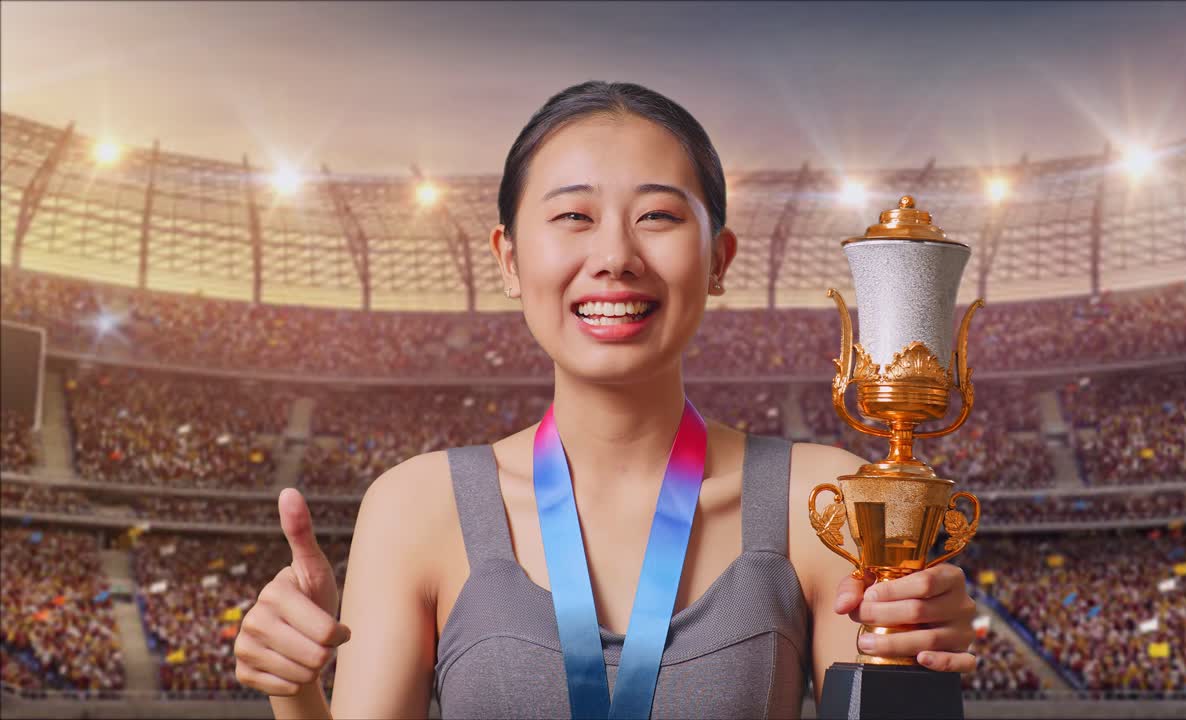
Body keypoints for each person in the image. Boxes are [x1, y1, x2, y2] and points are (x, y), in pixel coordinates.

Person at [233, 80, 978, 719]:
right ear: (508, 258)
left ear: (719, 260)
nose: (616, 256)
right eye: (573, 217)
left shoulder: (825, 504)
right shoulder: (415, 509)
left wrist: (910, 662)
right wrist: (294, 693)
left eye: (658, 216)